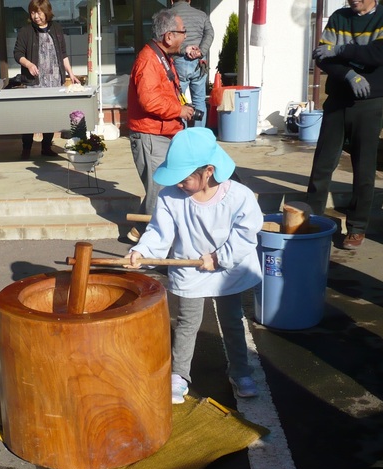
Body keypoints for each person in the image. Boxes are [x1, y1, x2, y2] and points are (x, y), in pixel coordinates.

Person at [125, 128, 263, 402]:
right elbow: (159, 232)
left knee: (232, 321)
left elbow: (247, 233)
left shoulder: (238, 196)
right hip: (190, 268)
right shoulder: (169, 197)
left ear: (209, 171)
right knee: (187, 322)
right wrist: (142, 251)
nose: (178, 184)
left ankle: (240, 370)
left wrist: (220, 257)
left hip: (228, 269)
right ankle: (180, 374)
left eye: (185, 178)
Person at [306, 0, 383, 250]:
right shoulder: (339, 17)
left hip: (369, 103)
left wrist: (340, 50)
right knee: (323, 164)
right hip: (337, 100)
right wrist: (349, 74)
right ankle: (313, 222)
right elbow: (321, 57)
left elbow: (379, 54)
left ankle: (357, 228)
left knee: (364, 167)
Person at [126, 8, 195, 243]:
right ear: (168, 36)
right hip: (149, 134)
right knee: (160, 189)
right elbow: (149, 101)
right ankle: (148, 239)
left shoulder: (160, 56)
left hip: (160, 133)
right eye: (182, 32)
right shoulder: (148, 61)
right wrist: (179, 110)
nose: (185, 36)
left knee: (162, 186)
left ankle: (140, 230)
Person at [13, 0, 79, 159]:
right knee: (31, 115)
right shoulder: (26, 31)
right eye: (33, 12)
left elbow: (62, 54)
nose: (36, 16)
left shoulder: (56, 28)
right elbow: (17, 53)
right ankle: (27, 147)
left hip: (54, 79)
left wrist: (70, 73)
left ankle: (46, 146)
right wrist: (28, 64)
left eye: (39, 12)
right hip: (34, 81)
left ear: (47, 12)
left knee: (50, 114)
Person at [169, 0, 214, 128]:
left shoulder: (168, 16)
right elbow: (210, 33)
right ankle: (199, 135)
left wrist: (184, 49)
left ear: (172, 1)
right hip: (199, 64)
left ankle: (181, 134)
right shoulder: (201, 15)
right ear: (189, 0)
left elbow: (165, 38)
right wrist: (201, 51)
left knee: (178, 102)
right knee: (199, 100)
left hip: (178, 62)